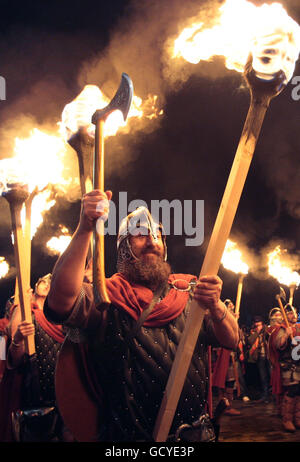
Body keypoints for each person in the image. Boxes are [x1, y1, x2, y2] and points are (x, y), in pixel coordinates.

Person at [45, 189, 239, 442]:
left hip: (194, 437)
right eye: (139, 234)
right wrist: (85, 228)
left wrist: (216, 306)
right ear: (123, 248)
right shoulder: (106, 296)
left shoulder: (190, 292)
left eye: (157, 235)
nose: (151, 241)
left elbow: (232, 339)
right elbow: (61, 298)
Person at [0, 274, 68, 442]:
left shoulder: (66, 322)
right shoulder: (26, 315)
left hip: (63, 401)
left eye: (50, 282)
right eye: (42, 281)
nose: (45, 284)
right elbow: (12, 360)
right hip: (32, 400)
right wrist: (18, 338)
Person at [269, 304, 300, 432]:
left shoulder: (298, 328)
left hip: (299, 364)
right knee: (292, 391)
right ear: (285, 315)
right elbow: (278, 344)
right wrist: (287, 334)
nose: (293, 315)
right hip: (289, 366)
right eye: (290, 313)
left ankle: (297, 418)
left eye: (295, 313)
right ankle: (287, 419)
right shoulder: (282, 329)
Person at [212, 299, 241, 415]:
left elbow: (238, 338)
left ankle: (228, 406)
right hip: (220, 356)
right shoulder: (217, 322)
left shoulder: (233, 321)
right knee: (221, 382)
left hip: (230, 357)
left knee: (230, 382)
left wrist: (235, 323)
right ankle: (222, 407)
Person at [247, 315, 271, 403]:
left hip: (269, 357)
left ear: (262, 324)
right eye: (256, 325)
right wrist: (256, 333)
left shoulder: (267, 331)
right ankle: (265, 396)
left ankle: (274, 397)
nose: (258, 327)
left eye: (259, 325)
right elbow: (250, 340)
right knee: (263, 378)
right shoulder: (254, 333)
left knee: (271, 376)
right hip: (261, 357)